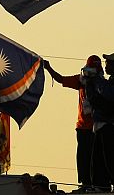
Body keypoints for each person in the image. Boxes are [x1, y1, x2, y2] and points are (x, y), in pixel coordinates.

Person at [44, 55, 102, 188]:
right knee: (82, 158)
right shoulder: (80, 81)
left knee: (94, 158)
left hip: (96, 127)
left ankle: (95, 184)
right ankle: (85, 183)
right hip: (82, 127)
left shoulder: (102, 83)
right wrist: (48, 68)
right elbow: (61, 79)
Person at [87, 52, 114, 191]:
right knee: (98, 160)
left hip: (112, 126)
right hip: (101, 125)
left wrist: (97, 80)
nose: (106, 65)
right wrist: (89, 83)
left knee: (112, 158)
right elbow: (94, 99)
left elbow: (109, 95)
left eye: (109, 63)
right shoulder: (108, 81)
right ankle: (100, 185)